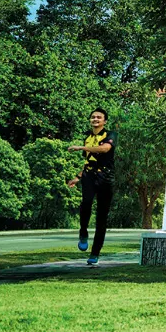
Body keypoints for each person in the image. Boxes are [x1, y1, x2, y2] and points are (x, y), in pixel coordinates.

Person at [67, 108, 117, 266]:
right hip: (89, 175)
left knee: (102, 216)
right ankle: (83, 232)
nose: (95, 119)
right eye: (93, 117)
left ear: (104, 121)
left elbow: (105, 149)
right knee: (86, 202)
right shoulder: (87, 137)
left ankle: (95, 253)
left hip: (105, 177)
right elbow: (88, 161)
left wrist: (81, 148)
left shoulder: (110, 135)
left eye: (99, 117)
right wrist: (77, 177)